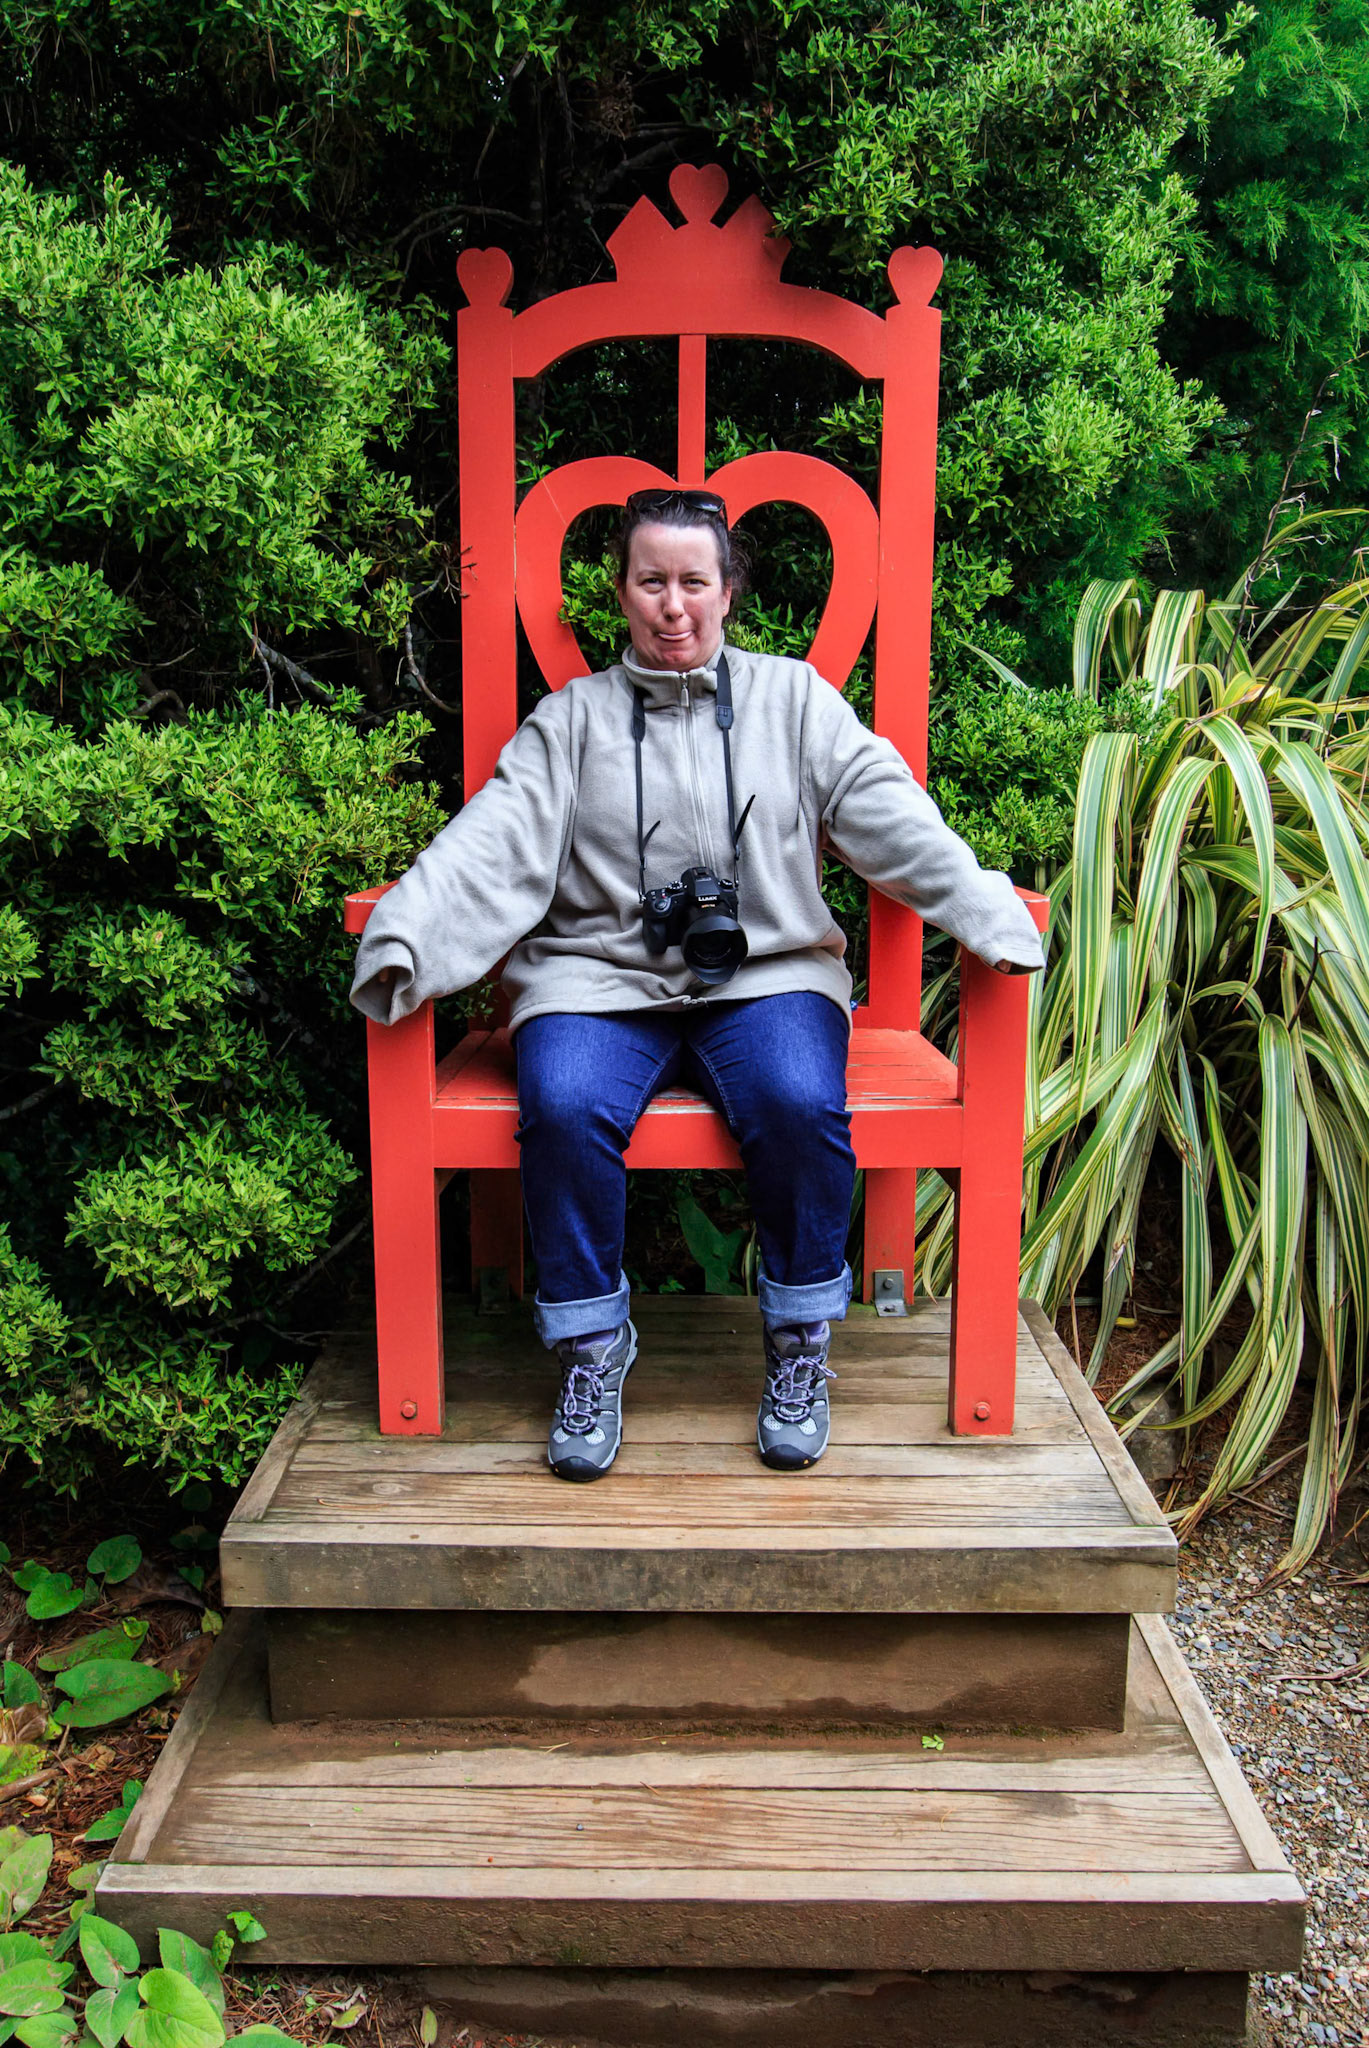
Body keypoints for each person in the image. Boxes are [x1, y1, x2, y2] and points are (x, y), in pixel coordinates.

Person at [350, 488, 1045, 1482]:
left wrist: (988, 913)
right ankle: (592, 1350)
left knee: (800, 1098)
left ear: (728, 591)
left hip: (765, 974)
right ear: (620, 592)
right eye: (649, 580)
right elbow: (488, 846)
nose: (671, 603)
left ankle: (801, 1342)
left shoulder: (793, 701)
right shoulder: (572, 721)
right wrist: (405, 936)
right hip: (593, 977)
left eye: (692, 580)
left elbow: (896, 822)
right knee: (560, 1102)